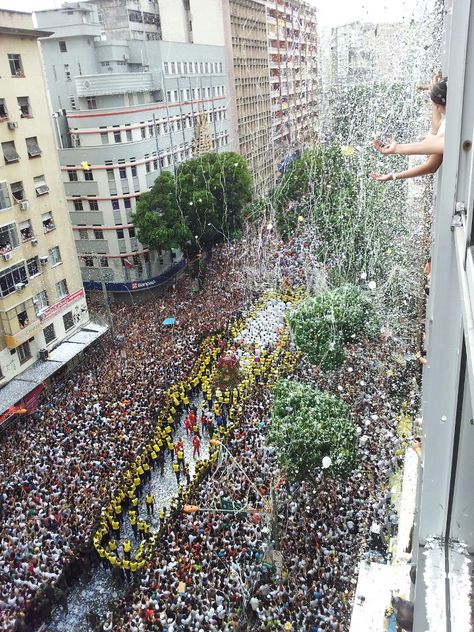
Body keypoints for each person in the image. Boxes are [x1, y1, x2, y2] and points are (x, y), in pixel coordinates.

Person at [370, 75, 447, 182]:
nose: (437, 109)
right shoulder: (449, 123)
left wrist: (397, 148)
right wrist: (392, 176)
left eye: (437, 105)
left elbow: (436, 141)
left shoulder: (449, 131)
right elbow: (431, 166)